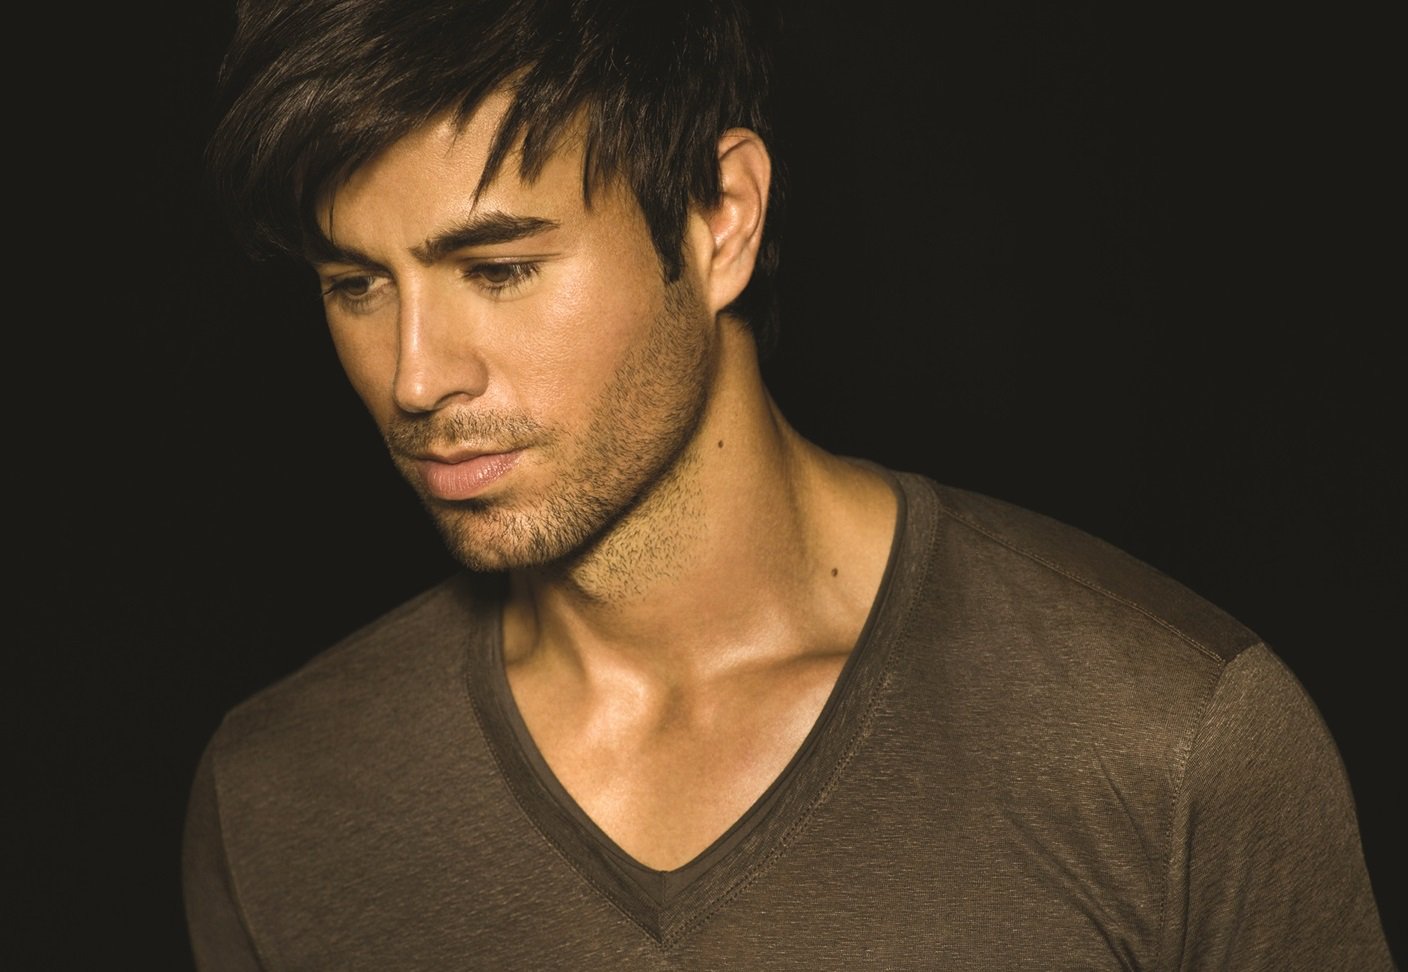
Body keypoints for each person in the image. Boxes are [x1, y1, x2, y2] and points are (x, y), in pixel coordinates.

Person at [183, 1, 1393, 968]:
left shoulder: (1167, 742)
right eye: (355, 285)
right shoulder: (281, 801)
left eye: (497, 270)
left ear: (721, 220)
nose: (415, 376)